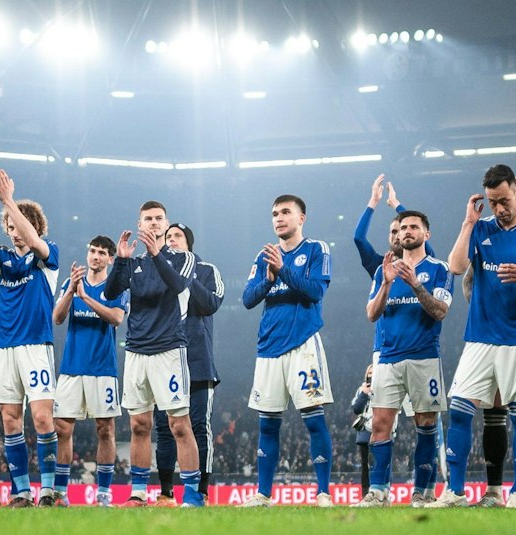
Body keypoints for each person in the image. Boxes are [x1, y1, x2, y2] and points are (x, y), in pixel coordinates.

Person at [443, 165, 516, 509]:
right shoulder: (482, 228)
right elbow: (455, 267)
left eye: (504, 200)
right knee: (459, 410)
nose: (499, 208)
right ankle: (455, 492)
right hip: (479, 336)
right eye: (493, 202)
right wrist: (468, 223)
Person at [0, 170, 59, 508]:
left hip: (36, 346)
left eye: (19, 225)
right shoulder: (3, 259)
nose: (15, 231)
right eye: (10, 226)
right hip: (4, 349)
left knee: (42, 418)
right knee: (10, 420)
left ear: (33, 226)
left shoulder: (48, 255)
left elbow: (35, 242)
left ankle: (48, 490)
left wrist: (9, 202)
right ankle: (21, 491)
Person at [105, 201, 205, 508]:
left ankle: (192, 496)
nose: (154, 222)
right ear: (140, 224)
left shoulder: (183, 258)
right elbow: (110, 293)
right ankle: (137, 493)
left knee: (179, 425)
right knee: (139, 425)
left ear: (166, 223)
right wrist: (121, 260)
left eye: (159, 218)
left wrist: (156, 253)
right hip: (136, 351)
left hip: (169, 351)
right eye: (148, 218)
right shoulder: (134, 263)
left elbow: (177, 284)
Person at [239, 194, 335, 507]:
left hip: (303, 344)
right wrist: (269, 280)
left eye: (285, 212)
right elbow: (248, 299)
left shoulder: (316, 249)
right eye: (274, 214)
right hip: (268, 347)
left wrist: (283, 271)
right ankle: (263, 494)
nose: (278, 218)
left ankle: (323, 493)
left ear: (301, 218)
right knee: (267, 424)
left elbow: (316, 292)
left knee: (314, 420)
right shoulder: (264, 255)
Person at [359, 206, 452, 507]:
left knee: (425, 425)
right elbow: (372, 314)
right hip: (388, 358)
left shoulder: (440, 269)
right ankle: (378, 492)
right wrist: (387, 283)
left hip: (424, 357)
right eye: (402, 228)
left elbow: (440, 311)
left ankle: (422, 491)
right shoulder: (382, 270)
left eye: (413, 227)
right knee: (379, 425)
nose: (407, 232)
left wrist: (415, 284)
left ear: (427, 233)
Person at [54, 236, 125, 506]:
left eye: (102, 253)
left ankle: (104, 493)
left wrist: (85, 297)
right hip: (72, 367)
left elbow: (116, 318)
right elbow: (57, 318)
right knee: (63, 428)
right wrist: (72, 291)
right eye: (93, 251)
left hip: (102, 369)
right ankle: (60, 493)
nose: (95, 256)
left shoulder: (115, 287)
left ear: (110, 259)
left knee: (105, 429)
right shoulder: (71, 283)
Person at [159, 222, 223, 502]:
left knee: (199, 427)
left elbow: (210, 304)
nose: (171, 240)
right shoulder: (158, 270)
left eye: (177, 236)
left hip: (198, 361)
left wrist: (183, 275)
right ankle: (165, 493)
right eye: (168, 236)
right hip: (164, 359)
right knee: (164, 428)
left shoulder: (207, 270)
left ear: (189, 243)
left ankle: (201, 491)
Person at [350, 369, 373, 499]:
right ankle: (365, 494)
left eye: (374, 372)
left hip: (382, 428)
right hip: (365, 431)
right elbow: (356, 409)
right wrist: (364, 393)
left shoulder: (384, 387)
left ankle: (382, 490)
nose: (371, 375)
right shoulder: (361, 390)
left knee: (381, 461)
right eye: (369, 373)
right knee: (365, 464)